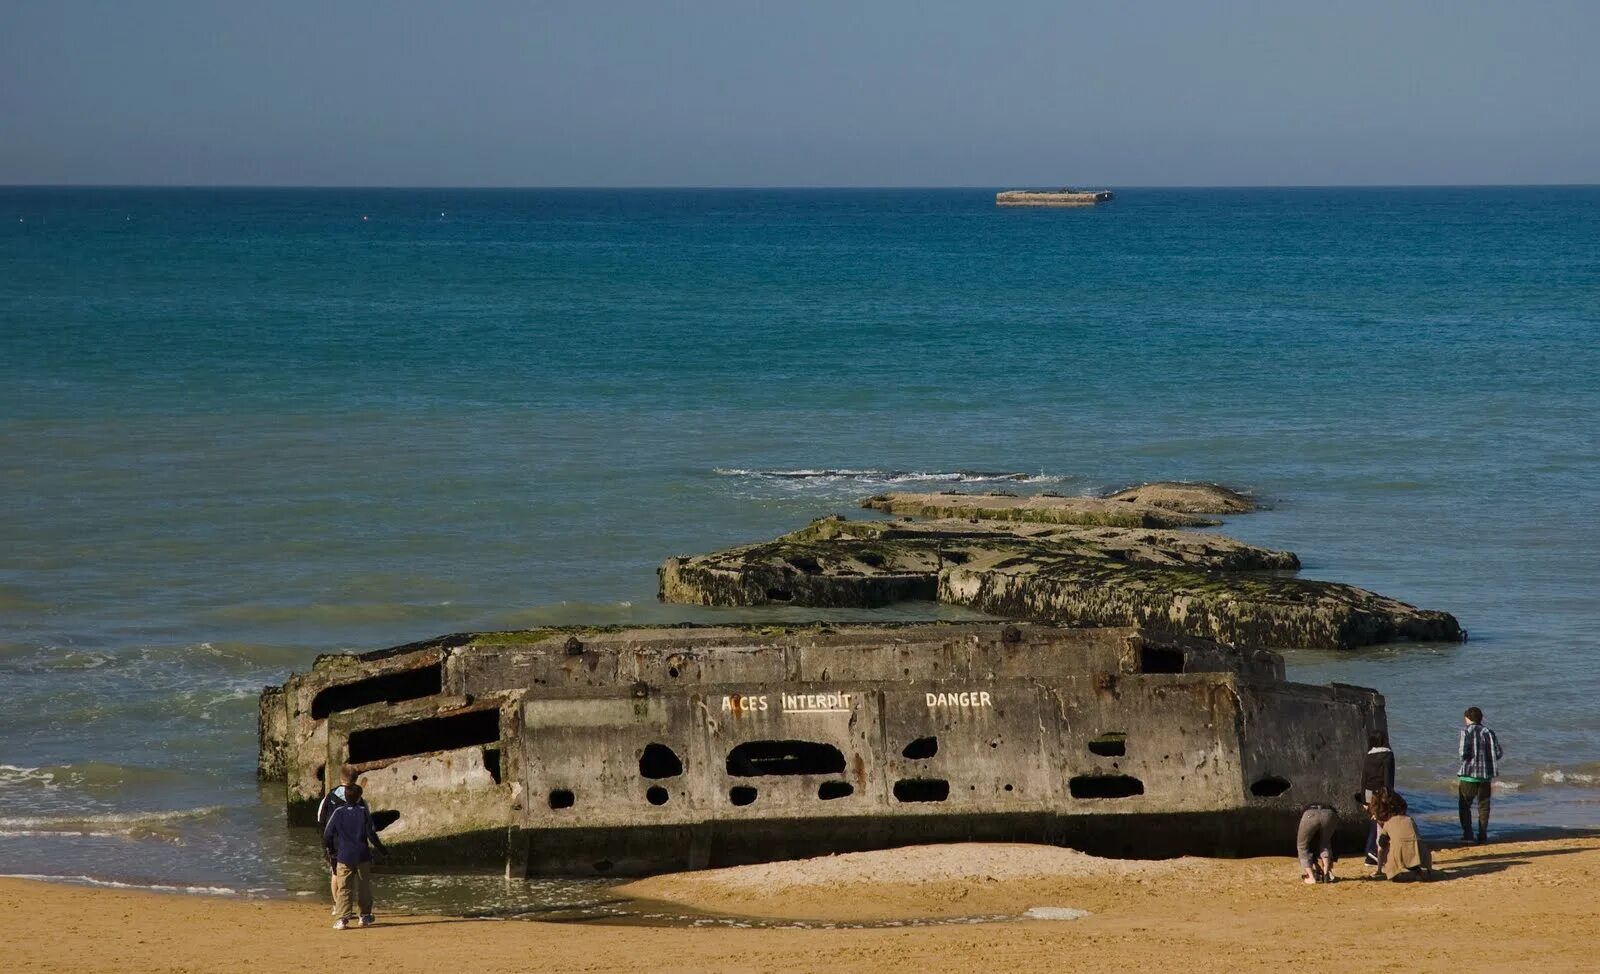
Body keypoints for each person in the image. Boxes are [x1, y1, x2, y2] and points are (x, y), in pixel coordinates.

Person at [322, 782, 386, 929]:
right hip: (362, 855)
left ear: (345, 796)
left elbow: (327, 834)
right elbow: (371, 834)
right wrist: (382, 850)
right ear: (359, 798)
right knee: (364, 887)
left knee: (344, 887)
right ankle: (364, 916)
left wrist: (331, 850)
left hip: (344, 856)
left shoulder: (338, 812)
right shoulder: (363, 811)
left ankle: (342, 919)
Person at [1457, 706, 1504, 844]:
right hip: (1485, 776)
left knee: (1465, 805)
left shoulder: (1466, 732)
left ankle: (1468, 833)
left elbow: (1462, 754)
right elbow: (1498, 753)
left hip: (1468, 775)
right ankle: (1482, 834)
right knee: (1484, 806)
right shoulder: (1489, 732)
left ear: (1468, 718)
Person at [1371, 790, 1431, 881]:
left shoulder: (1388, 824)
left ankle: (1402, 874)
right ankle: (1419, 871)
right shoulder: (1410, 820)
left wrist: (1379, 870)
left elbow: (1381, 845)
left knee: (1390, 847)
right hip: (1420, 856)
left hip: (1400, 857)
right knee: (1415, 846)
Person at [1360, 730, 1396, 866]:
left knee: (1374, 823)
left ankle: (1371, 855)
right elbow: (1388, 778)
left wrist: (1363, 799)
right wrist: (1389, 797)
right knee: (1381, 824)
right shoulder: (1388, 755)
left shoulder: (1369, 755)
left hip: (1369, 793)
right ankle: (1372, 852)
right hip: (1381, 793)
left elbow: (1363, 778)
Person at [1295, 802, 1338, 884]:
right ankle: (1326, 873)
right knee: (1325, 844)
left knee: (1302, 846)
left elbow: (1303, 841)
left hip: (1310, 813)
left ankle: (1311, 877)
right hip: (1330, 813)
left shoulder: (1302, 814)